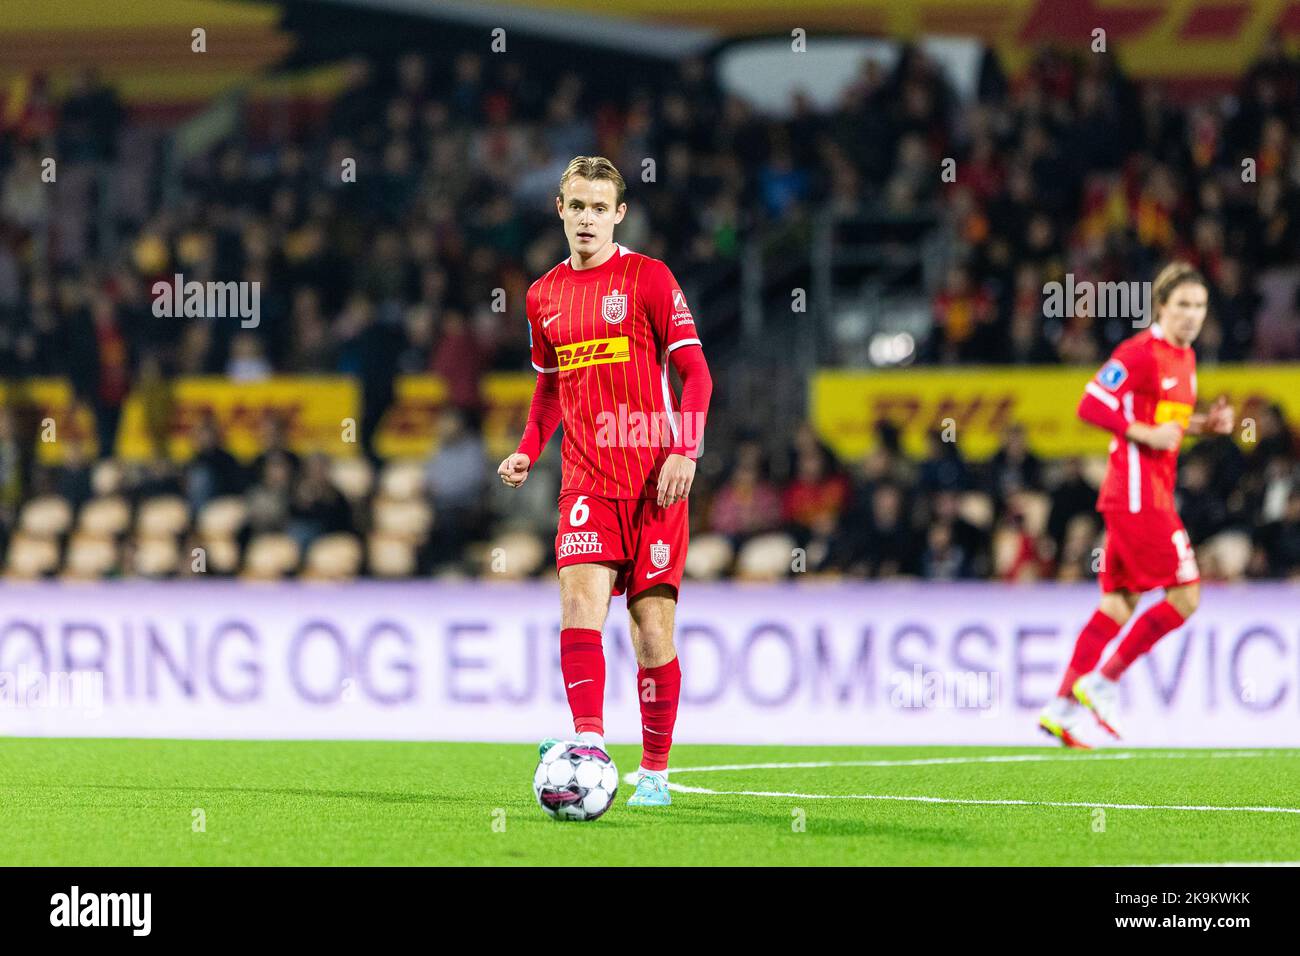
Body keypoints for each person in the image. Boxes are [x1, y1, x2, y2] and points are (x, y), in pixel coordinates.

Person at [497, 156, 712, 806]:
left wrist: (686, 451)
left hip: (655, 483)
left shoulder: (648, 279)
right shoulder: (543, 296)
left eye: (600, 207)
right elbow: (549, 389)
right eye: (577, 206)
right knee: (578, 607)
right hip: (587, 483)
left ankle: (654, 771)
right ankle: (588, 741)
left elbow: (697, 375)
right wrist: (529, 451)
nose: (587, 218)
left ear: (619, 214)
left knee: (652, 633)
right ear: (559, 210)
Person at [1039, 262, 1235, 748]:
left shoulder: (1185, 358)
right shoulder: (1139, 353)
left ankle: (1061, 709)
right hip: (1135, 493)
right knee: (1186, 595)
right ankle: (1103, 682)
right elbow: (1091, 403)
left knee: (1118, 603)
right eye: (1183, 305)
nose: (1192, 315)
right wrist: (1143, 433)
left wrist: (1202, 426)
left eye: (1200, 306)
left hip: (1149, 491)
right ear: (1161, 307)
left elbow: (1166, 420)